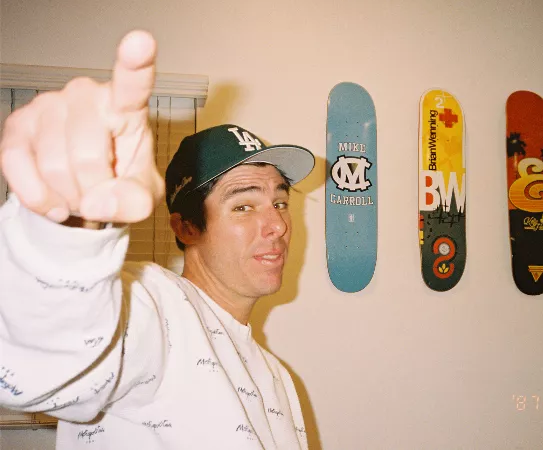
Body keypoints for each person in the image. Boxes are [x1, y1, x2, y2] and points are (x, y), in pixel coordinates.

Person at [0, 30, 315, 449]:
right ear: (185, 227)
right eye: (243, 205)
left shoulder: (278, 378)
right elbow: (41, 367)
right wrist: (66, 235)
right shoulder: (152, 306)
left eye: (279, 202)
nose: (276, 225)